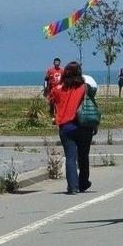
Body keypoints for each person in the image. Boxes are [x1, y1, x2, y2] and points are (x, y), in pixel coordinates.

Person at [48, 61, 96, 194]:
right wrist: (95, 124)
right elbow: (92, 105)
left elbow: (51, 101)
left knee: (70, 157)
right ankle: (83, 182)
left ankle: (73, 187)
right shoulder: (85, 87)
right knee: (83, 156)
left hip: (66, 127)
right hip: (84, 125)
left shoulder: (58, 89)